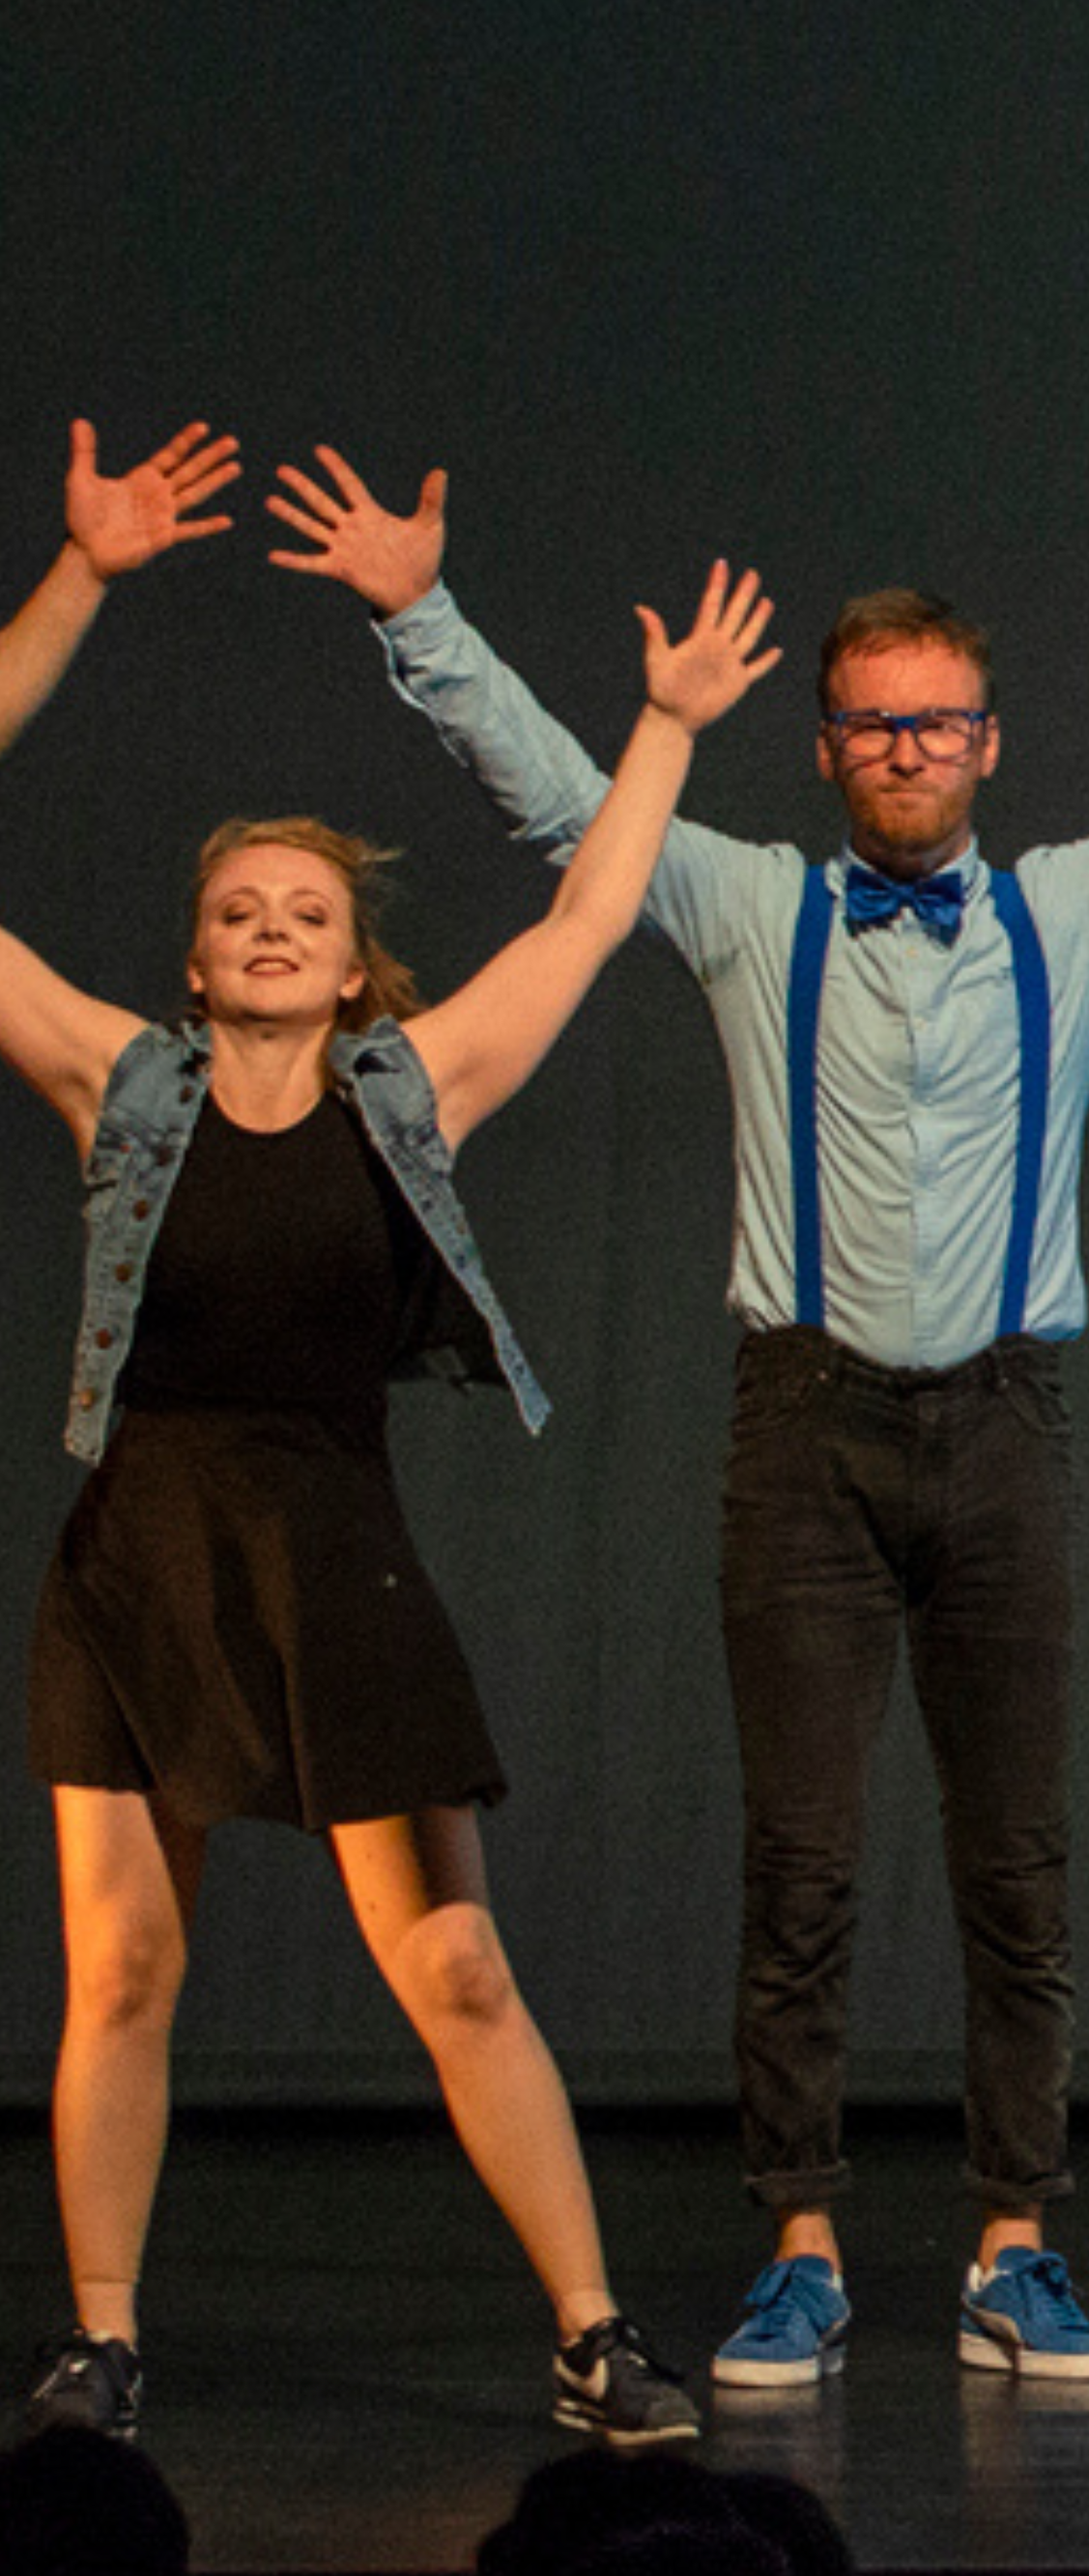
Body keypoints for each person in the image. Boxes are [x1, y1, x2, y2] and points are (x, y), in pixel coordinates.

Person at [269, 448, 1089, 2391]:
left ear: (988, 744)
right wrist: (422, 613)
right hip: (801, 1432)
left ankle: (1014, 2242)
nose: (906, 751)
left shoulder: (1083, 909)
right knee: (802, 1861)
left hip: (1002, 1432)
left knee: (1017, 1860)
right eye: (872, 726)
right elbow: (568, 802)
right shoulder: (747, 909)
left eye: (937, 724)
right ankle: (800, 2244)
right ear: (824, 752)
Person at [0, 454, 772, 2446]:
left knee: (457, 1972)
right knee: (126, 1971)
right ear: (191, 959)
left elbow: (596, 912)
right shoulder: (117, 1077)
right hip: (141, 1557)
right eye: (235, 911)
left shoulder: (411, 1090)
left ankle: (594, 2327)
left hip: (334, 1551)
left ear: (354, 968)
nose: (267, 930)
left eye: (307, 915)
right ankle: (102, 2338)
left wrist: (666, 727)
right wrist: (80, 584)